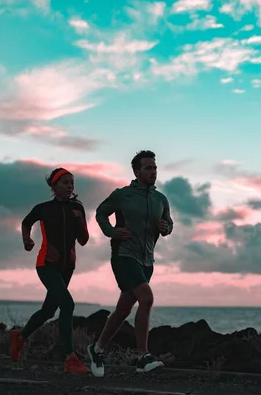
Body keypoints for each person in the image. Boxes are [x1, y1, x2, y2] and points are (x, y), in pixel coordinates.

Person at [87, 150, 174, 377]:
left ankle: (96, 349)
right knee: (147, 298)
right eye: (148, 168)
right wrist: (111, 231)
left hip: (147, 261)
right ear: (136, 171)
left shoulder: (160, 199)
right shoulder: (123, 195)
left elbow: (168, 223)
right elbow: (101, 213)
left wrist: (166, 227)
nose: (153, 172)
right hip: (124, 256)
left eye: (154, 168)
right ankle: (142, 357)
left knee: (123, 309)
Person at [9, 167, 90, 375]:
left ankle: (20, 337)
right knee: (68, 304)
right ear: (54, 186)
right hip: (47, 264)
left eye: (72, 182)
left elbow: (83, 240)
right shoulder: (43, 208)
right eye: (65, 182)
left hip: (68, 266)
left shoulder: (78, 208)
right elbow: (26, 222)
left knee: (49, 311)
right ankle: (70, 358)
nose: (70, 186)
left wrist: (80, 221)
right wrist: (26, 239)